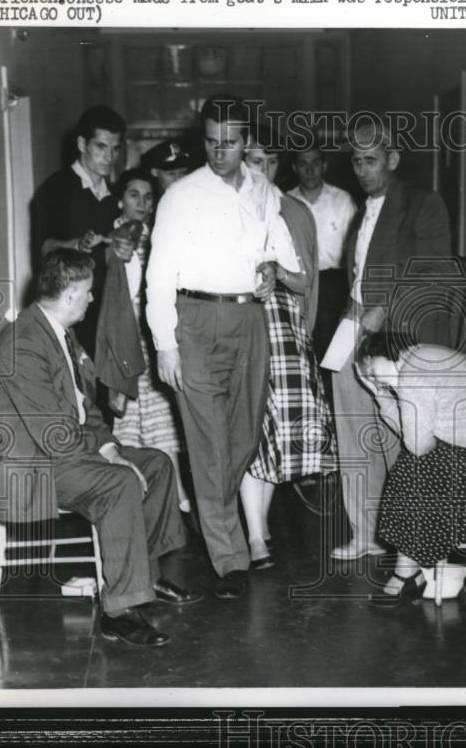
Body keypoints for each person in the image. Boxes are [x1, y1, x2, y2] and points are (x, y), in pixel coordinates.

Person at [0, 249, 202, 647]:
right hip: (29, 467)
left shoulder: (61, 333)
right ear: (69, 296)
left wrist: (111, 448)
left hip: (62, 453)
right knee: (118, 483)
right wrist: (111, 458)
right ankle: (119, 611)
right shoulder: (23, 345)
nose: (92, 299)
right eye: (88, 292)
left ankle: (145, 575)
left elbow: (87, 412)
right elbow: (55, 433)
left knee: (156, 463)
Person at [145, 94, 273, 600]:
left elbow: (268, 247)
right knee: (208, 443)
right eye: (212, 143)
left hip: (249, 318)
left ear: (247, 143)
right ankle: (230, 560)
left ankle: (208, 516)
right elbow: (158, 274)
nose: (220, 153)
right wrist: (164, 344)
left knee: (242, 437)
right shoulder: (181, 196)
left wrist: (269, 271)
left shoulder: (263, 189)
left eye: (231, 143)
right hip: (193, 320)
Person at [329, 118, 452, 561]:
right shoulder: (361, 212)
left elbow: (434, 271)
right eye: (357, 162)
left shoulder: (423, 204)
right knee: (352, 428)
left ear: (393, 159)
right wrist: (353, 313)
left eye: (372, 161)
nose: (363, 171)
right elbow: (358, 276)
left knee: (399, 431)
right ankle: (366, 532)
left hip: (400, 332)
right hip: (354, 326)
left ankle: (406, 534)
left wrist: (386, 308)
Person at [355, 331, 466, 606]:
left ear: (384, 352)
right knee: (412, 468)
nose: (372, 376)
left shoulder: (413, 373)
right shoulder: (423, 354)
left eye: (371, 368)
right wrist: (382, 395)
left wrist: (383, 396)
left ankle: (409, 572)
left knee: (411, 469)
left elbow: (416, 444)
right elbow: (415, 436)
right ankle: (413, 569)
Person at [237, 163, 336, 570]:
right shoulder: (222, 208)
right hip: (242, 321)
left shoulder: (289, 211)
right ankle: (256, 536)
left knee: (277, 432)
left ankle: (258, 527)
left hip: (285, 329)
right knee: (249, 426)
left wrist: (277, 271)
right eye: (254, 158)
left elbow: (304, 281)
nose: (262, 168)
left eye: (271, 159)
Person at [94, 169, 190, 516]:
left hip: (155, 333)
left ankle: (177, 492)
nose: (142, 203)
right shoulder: (108, 240)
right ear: (120, 199)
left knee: (162, 414)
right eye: (134, 195)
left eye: (149, 197)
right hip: (122, 337)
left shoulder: (158, 237)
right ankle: (135, 498)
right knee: (127, 418)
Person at [31, 105, 125, 359]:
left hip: (106, 306)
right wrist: (75, 245)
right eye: (101, 147)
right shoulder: (55, 189)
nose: (109, 157)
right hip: (68, 306)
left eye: (115, 148)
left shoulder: (115, 195)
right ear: (83, 144)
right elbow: (44, 247)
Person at [287, 143, 356, 359]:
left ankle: (328, 388)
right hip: (298, 283)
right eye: (303, 163)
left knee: (329, 348)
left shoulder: (342, 200)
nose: (309, 170)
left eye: (315, 163)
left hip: (332, 284)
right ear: (294, 167)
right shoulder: (285, 201)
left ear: (324, 165)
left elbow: (355, 251)